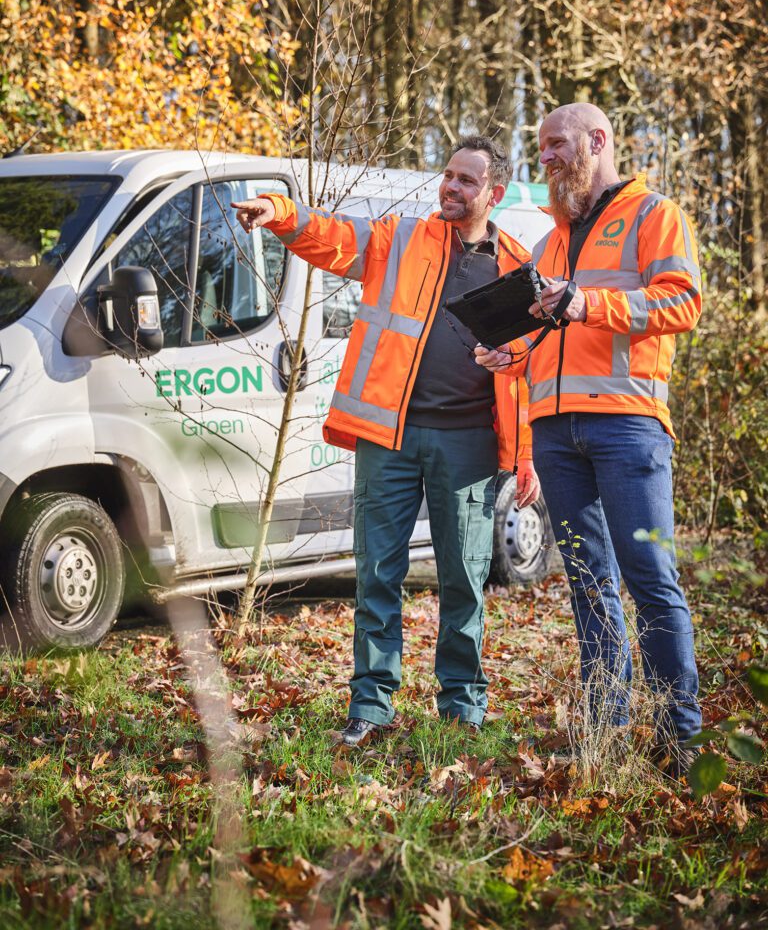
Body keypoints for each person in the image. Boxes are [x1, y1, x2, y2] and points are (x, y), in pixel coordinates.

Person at [232, 137, 539, 746]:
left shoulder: (516, 266)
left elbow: (529, 366)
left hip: (470, 444)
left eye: (465, 181)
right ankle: (370, 708)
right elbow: (333, 236)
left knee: (465, 577)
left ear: (493, 195)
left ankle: (462, 706)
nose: (449, 187)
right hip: (389, 438)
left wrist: (525, 452)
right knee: (377, 573)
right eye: (447, 175)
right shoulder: (399, 239)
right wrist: (282, 213)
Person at [475, 104, 703, 777]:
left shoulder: (653, 215)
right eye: (540, 147)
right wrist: (508, 355)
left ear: (597, 141)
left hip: (628, 428)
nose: (545, 157)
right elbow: (550, 340)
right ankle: (604, 734)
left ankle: (677, 739)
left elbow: (683, 302)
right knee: (587, 584)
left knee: (651, 581)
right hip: (556, 435)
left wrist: (585, 303)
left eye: (556, 144)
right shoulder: (551, 242)